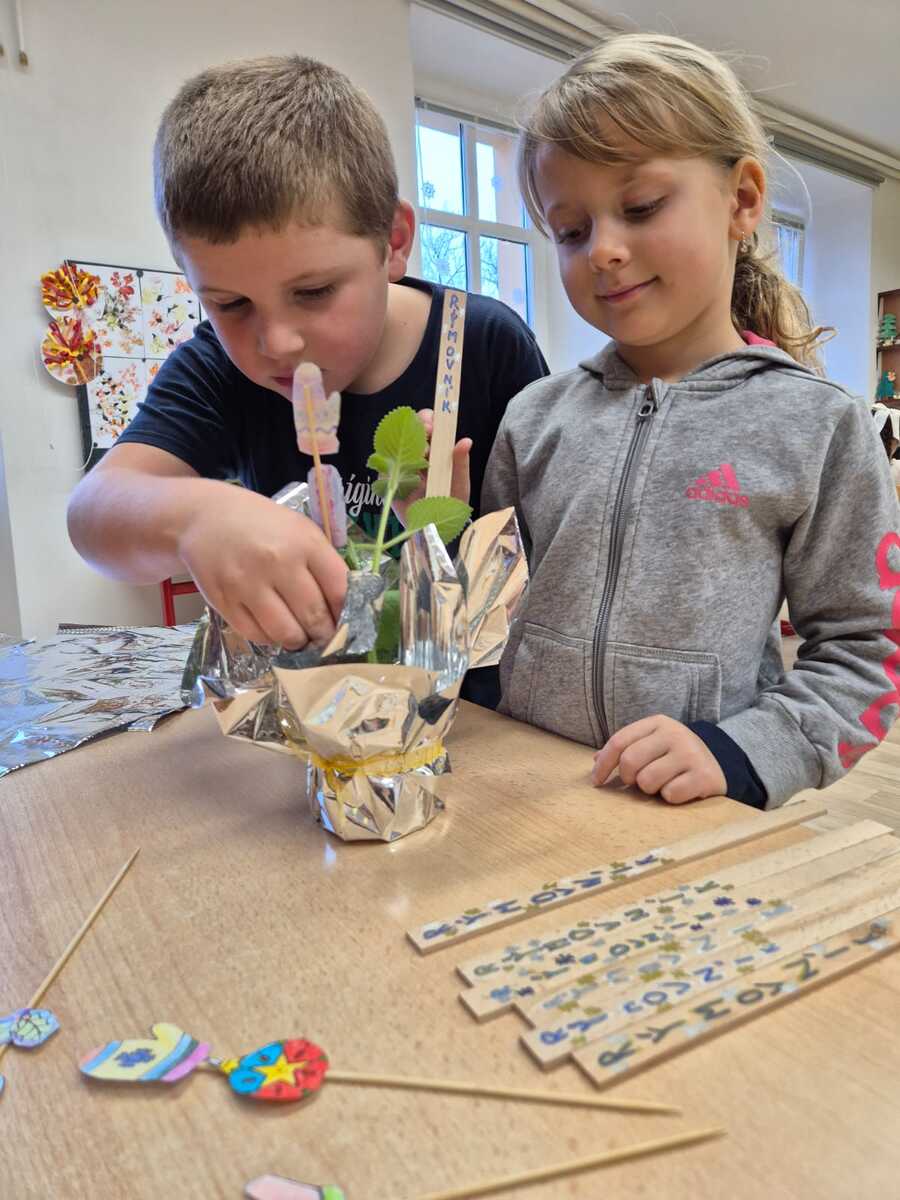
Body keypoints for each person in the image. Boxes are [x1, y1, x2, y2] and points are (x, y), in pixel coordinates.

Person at [482, 33, 900, 808]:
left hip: (699, 816)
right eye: (571, 231)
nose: (603, 250)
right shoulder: (533, 417)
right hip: (530, 801)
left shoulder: (819, 426)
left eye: (641, 207)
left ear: (742, 199)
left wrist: (742, 753)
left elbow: (867, 653)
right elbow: (485, 624)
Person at [67, 55, 548, 694]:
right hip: (312, 713)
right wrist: (196, 518)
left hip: (478, 714)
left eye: (314, 291)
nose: (277, 343)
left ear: (394, 241)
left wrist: (441, 535)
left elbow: (552, 568)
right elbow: (93, 514)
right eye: (230, 303)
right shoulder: (216, 366)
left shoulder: (485, 347)